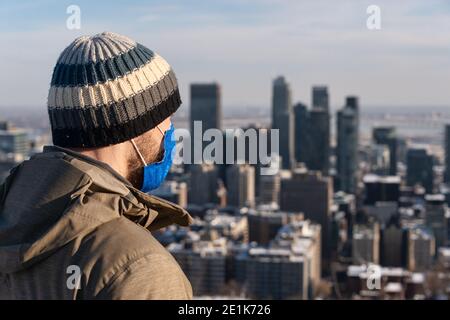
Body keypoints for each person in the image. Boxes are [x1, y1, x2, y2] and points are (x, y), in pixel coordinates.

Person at [0, 32, 193, 299]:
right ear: (134, 127)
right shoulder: (138, 268)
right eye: (166, 119)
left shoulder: (10, 220)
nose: (171, 131)